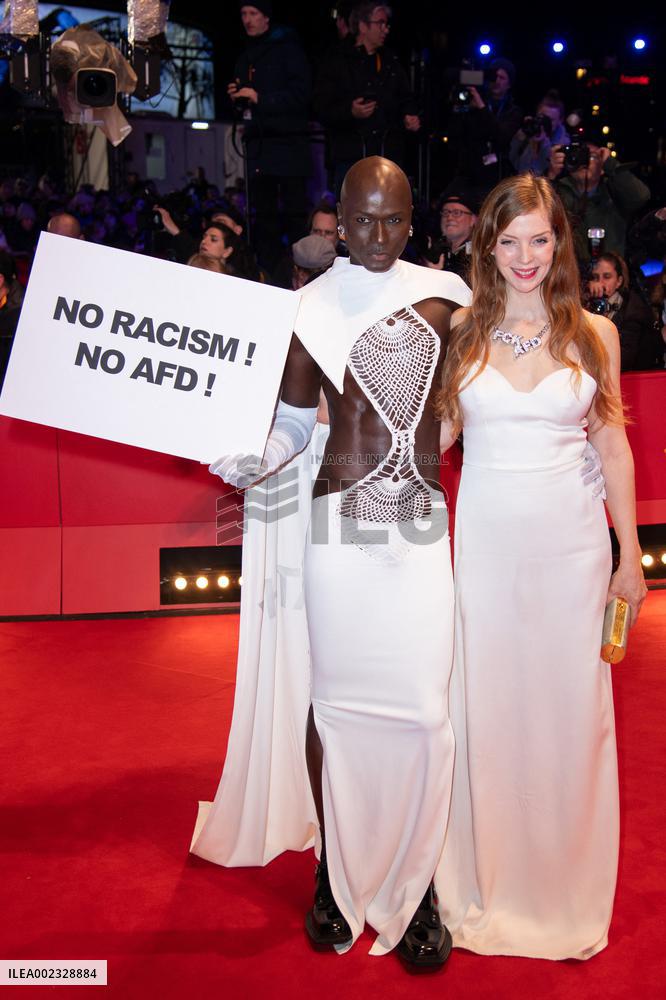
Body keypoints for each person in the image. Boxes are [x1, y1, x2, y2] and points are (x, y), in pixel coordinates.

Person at [190, 156, 471, 967]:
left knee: (425, 715)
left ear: (410, 220)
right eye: (363, 221)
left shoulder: (448, 298)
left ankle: (416, 890)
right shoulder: (307, 308)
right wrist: (254, 461)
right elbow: (290, 419)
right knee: (337, 709)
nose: (379, 236)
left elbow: (470, 396)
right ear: (337, 224)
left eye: (393, 220)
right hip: (337, 532)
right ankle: (331, 875)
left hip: (418, 526)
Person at [436, 174, 647, 959]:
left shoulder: (596, 333)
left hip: (573, 553)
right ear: (487, 246)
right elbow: (440, 439)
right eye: (509, 240)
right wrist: (331, 431)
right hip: (486, 549)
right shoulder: (462, 328)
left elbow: (612, 443)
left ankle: (560, 889)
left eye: (541, 239)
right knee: (486, 710)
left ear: (560, 243)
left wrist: (630, 555)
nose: (526, 256)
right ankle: (487, 878)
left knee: (569, 718)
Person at [228, 2, 312, 271]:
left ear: (266, 17)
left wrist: (260, 97)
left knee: (294, 216)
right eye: (243, 14)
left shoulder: (288, 50)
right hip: (259, 146)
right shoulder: (247, 55)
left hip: (288, 146)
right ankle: (266, 271)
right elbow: (243, 92)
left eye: (253, 14)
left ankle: (301, 272)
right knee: (263, 219)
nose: (247, 20)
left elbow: (302, 95)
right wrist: (237, 96)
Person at [313, 3, 420, 194]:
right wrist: (350, 111)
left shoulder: (391, 63)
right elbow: (321, 107)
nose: (385, 29)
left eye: (386, 24)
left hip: (386, 157)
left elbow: (406, 98)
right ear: (363, 26)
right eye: (380, 23)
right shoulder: (336, 61)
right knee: (352, 214)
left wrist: (409, 116)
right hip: (351, 156)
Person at [547, 139, 650, 263]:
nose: (584, 162)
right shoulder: (557, 192)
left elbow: (641, 197)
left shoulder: (614, 193)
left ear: (602, 169)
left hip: (609, 275)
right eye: (579, 155)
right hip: (569, 275)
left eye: (591, 156)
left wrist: (610, 163)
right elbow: (539, 212)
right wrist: (551, 175)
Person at [586, 252, 662, 371]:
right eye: (595, 277)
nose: (600, 283)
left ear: (619, 281)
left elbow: (624, 359)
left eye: (607, 277)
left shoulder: (632, 311)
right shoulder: (588, 304)